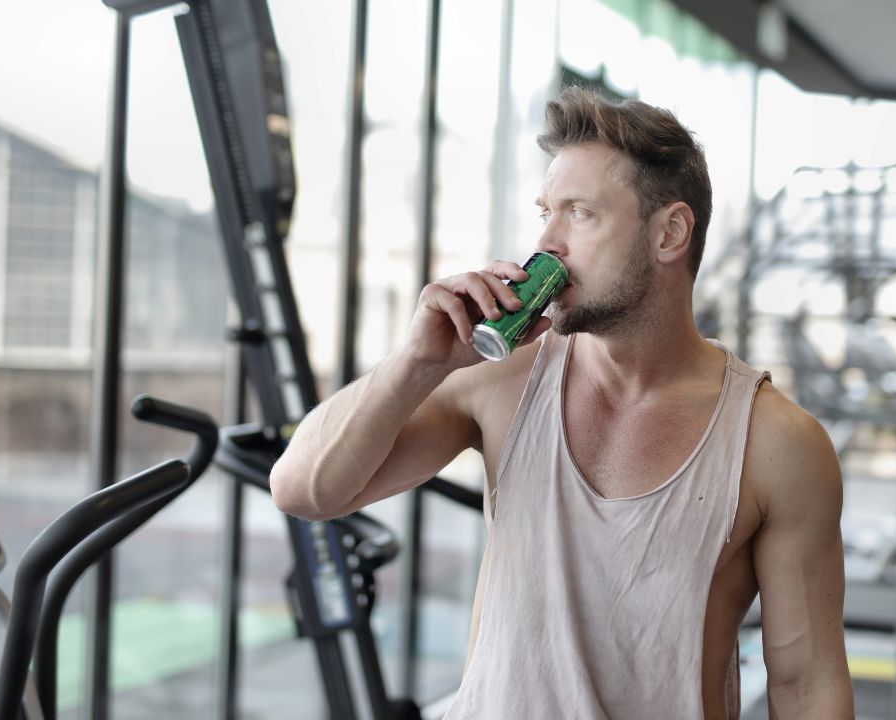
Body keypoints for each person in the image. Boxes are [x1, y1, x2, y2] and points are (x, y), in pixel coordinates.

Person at [270, 87, 854, 719]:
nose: (546, 242)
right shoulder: (500, 380)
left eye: (579, 213)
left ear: (671, 233)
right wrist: (415, 364)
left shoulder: (776, 442)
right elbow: (305, 492)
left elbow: (807, 683)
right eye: (544, 211)